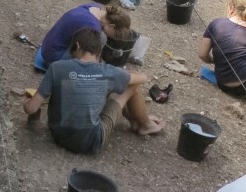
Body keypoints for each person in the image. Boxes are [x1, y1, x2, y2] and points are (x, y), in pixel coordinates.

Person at [24, 28, 164, 153]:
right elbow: (143, 78)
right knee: (131, 85)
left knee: (111, 85)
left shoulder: (57, 67)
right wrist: (125, 73)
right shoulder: (108, 72)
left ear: (77, 46)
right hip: (91, 142)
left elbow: (31, 109)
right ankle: (145, 124)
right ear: (99, 51)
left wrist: (27, 104)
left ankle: (136, 121)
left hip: (59, 136)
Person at [36, 2, 131, 71]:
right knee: (101, 39)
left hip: (48, 47)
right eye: (114, 34)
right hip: (53, 59)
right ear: (112, 26)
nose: (112, 36)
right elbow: (86, 56)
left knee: (100, 38)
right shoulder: (92, 25)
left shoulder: (94, 7)